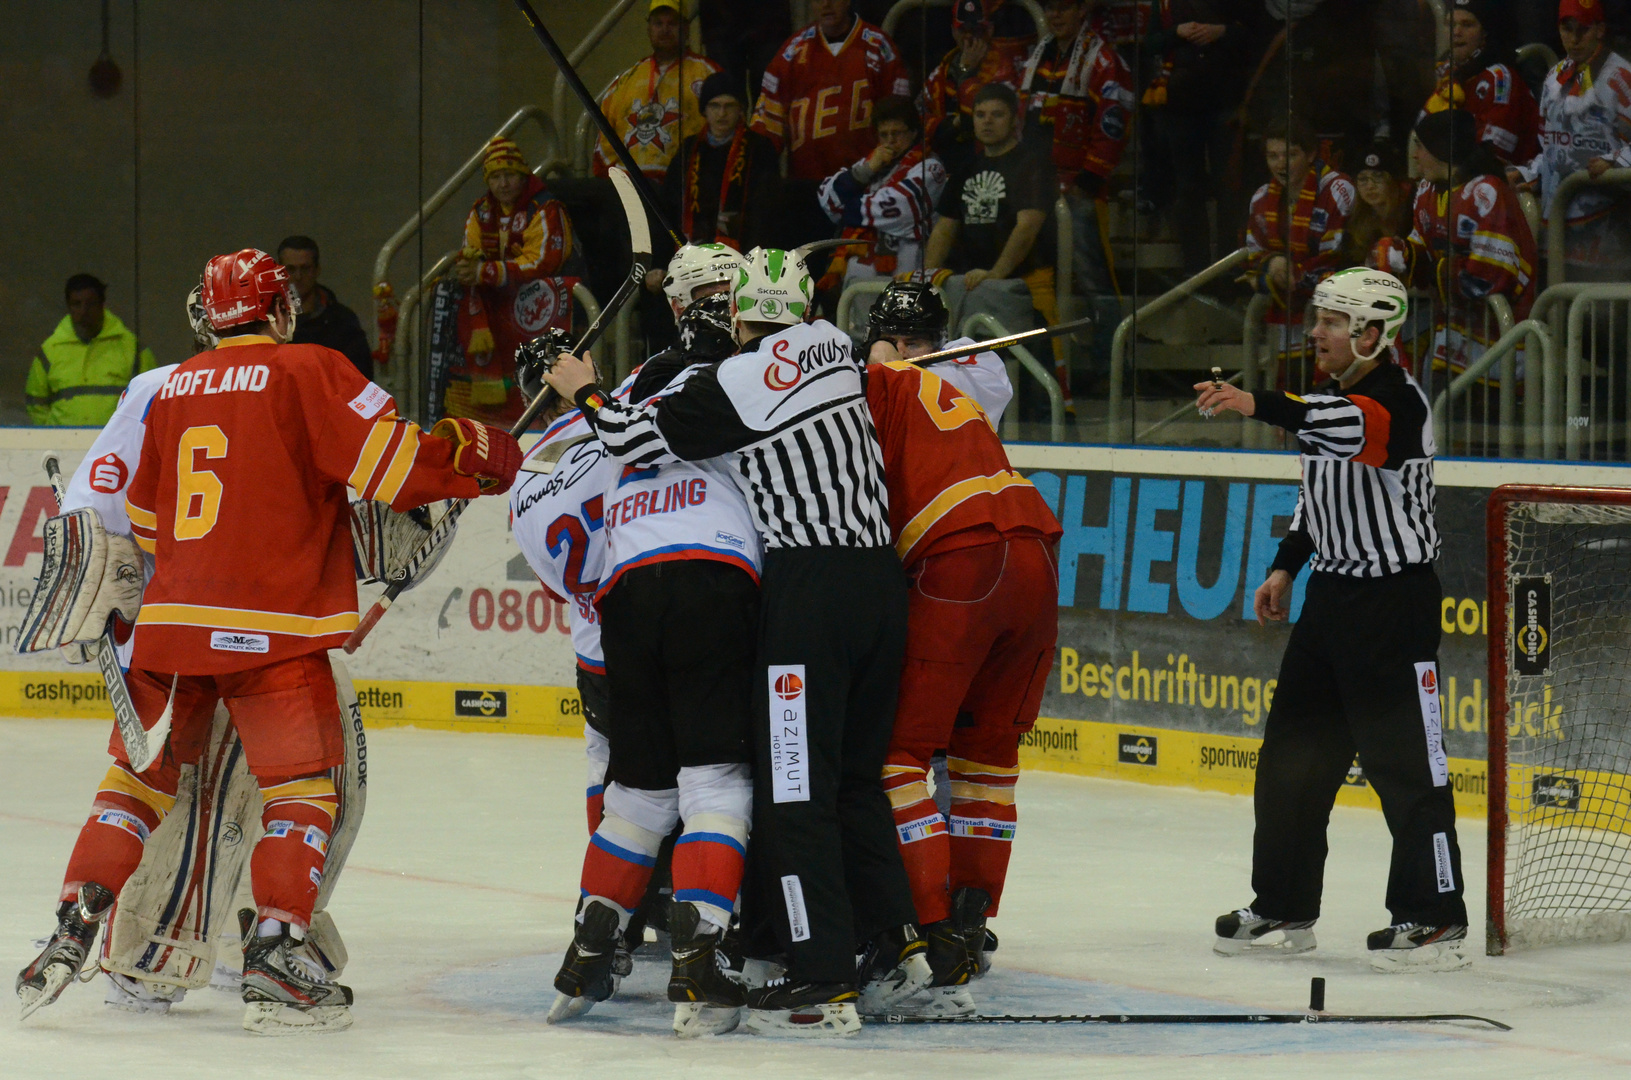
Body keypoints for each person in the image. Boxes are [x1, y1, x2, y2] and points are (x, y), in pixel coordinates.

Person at [15, 249, 522, 1033]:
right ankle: (276, 954)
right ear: (279, 308)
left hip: (172, 630)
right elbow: (399, 471)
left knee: (138, 786)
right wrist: (472, 453)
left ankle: (73, 921)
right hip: (273, 636)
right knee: (302, 792)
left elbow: (144, 519)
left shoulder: (173, 386)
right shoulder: (307, 369)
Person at [542, 248, 925, 1038]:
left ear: (731, 315)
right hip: (878, 587)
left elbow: (622, 435)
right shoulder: (839, 346)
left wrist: (580, 387)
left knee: (784, 791)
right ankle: (895, 944)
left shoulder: (732, 384)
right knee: (854, 780)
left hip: (793, 594)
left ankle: (818, 973)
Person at [1195, 267, 1470, 974]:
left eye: (1330, 321)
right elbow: (1316, 498)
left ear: (1372, 334)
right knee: (1289, 762)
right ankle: (1283, 901)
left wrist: (1248, 399)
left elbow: (1345, 431)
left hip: (1393, 607)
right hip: (1332, 604)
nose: (1314, 332)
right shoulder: (1329, 396)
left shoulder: (1394, 402)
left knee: (1407, 767)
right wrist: (1286, 564)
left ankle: (1434, 915)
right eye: (1317, 319)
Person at [545, 284, 762, 1040]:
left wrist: (585, 386)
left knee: (637, 789)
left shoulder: (637, 393)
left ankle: (587, 947)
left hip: (625, 589)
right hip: (711, 574)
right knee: (716, 778)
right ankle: (701, 956)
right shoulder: (735, 382)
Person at [861, 282, 1060, 1014]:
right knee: (986, 761)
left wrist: (876, 359)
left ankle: (932, 928)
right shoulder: (981, 376)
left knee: (900, 757)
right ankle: (972, 922)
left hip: (959, 559)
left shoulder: (881, 383)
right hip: (1034, 552)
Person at [923, 84, 1065, 403]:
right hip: (974, 286)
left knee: (1039, 389)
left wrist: (995, 273)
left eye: (997, 115)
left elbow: (1028, 226)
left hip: (1025, 286)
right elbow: (944, 228)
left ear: (1015, 119)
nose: (987, 122)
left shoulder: (1032, 163)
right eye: (981, 115)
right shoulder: (965, 168)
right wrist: (927, 279)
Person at [1377, 110, 1538, 390]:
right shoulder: (1427, 191)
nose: (1415, 156)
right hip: (1451, 337)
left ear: (1442, 150)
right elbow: (1422, 246)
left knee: (1476, 426)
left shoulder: (1487, 191)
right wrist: (1402, 254)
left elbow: (1488, 276)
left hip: (1500, 341)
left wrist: (1432, 270)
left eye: (1421, 147)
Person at [450, 136, 585, 425]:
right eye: (495, 177)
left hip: (544, 304)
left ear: (523, 174)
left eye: (509, 175)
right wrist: (466, 267)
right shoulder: (481, 210)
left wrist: (484, 272)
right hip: (498, 307)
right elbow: (470, 252)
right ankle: (490, 420)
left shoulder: (547, 208)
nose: (503, 184)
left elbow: (543, 261)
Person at [1017, 0, 1133, 296]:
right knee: (1039, 274)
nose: (1055, 15)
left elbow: (1113, 128)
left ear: (1082, 10)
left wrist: (1088, 181)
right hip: (1035, 187)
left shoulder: (1104, 60)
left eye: (1064, 7)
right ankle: (1055, 343)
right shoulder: (1036, 57)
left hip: (1079, 189)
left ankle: (1110, 342)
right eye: (1050, 8)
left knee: (1092, 275)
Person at [1511, 0, 1631, 282]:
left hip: (1608, 247)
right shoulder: (1554, 78)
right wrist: (1529, 173)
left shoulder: (1622, 77)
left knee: (1597, 322)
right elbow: (1550, 149)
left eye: (1584, 30)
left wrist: (1616, 162)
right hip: (1555, 243)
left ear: (1600, 30)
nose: (1574, 39)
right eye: (1567, 29)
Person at [749, 0, 910, 184]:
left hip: (868, 185)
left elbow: (901, 119)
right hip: (807, 187)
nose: (826, 4)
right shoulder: (791, 53)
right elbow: (767, 129)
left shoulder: (879, 47)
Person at [1243, 118, 1355, 375]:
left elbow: (1339, 255)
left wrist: (1291, 273)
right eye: (1273, 156)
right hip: (1286, 321)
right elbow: (1251, 256)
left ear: (1311, 154)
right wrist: (1272, 263)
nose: (1280, 164)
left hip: (1338, 316)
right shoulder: (1261, 198)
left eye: (1290, 155)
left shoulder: (1338, 189)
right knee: (1291, 390)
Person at [817, 95, 949, 289]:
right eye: (884, 134)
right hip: (860, 274)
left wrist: (846, 207)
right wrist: (865, 171)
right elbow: (827, 197)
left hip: (907, 269)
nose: (890, 141)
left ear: (913, 132)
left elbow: (896, 209)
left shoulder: (930, 167)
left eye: (897, 133)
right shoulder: (875, 161)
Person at [594, 0, 722, 184]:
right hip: (630, 191)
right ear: (649, 29)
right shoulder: (626, 80)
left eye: (672, 23)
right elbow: (603, 151)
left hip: (685, 190)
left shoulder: (709, 74)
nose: (664, 30)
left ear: (686, 28)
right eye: (658, 23)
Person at [658, 70, 780, 252]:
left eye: (729, 106)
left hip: (745, 252)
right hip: (692, 251)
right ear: (704, 110)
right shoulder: (689, 149)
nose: (721, 113)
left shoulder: (760, 148)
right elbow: (669, 207)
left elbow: (766, 212)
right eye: (715, 106)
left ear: (740, 109)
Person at [1421, 0, 1541, 169]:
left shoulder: (1500, 78)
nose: (1456, 32)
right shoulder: (1448, 71)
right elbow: (1422, 133)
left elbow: (1493, 153)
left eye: (1467, 25)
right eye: (1451, 24)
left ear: (1484, 32)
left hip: (1503, 183)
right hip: (1458, 173)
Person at [27, 274, 158, 427]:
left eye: (90, 304)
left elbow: (152, 397)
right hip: (63, 445)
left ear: (103, 304)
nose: (84, 310)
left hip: (116, 445)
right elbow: (35, 402)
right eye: (76, 304)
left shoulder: (131, 348)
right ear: (68, 307)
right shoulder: (50, 350)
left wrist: (128, 433)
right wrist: (53, 432)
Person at [920, 0, 1024, 176]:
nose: (968, 37)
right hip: (944, 163)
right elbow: (919, 118)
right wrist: (951, 125)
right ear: (953, 32)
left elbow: (977, 122)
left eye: (975, 30)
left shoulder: (1006, 69)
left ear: (989, 31)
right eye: (963, 30)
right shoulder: (940, 72)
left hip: (991, 165)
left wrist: (967, 72)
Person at [277, 235, 374, 380]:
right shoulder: (267, 322)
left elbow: (360, 378)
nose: (298, 276)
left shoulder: (342, 321)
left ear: (317, 270)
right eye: (290, 269)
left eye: (305, 268)